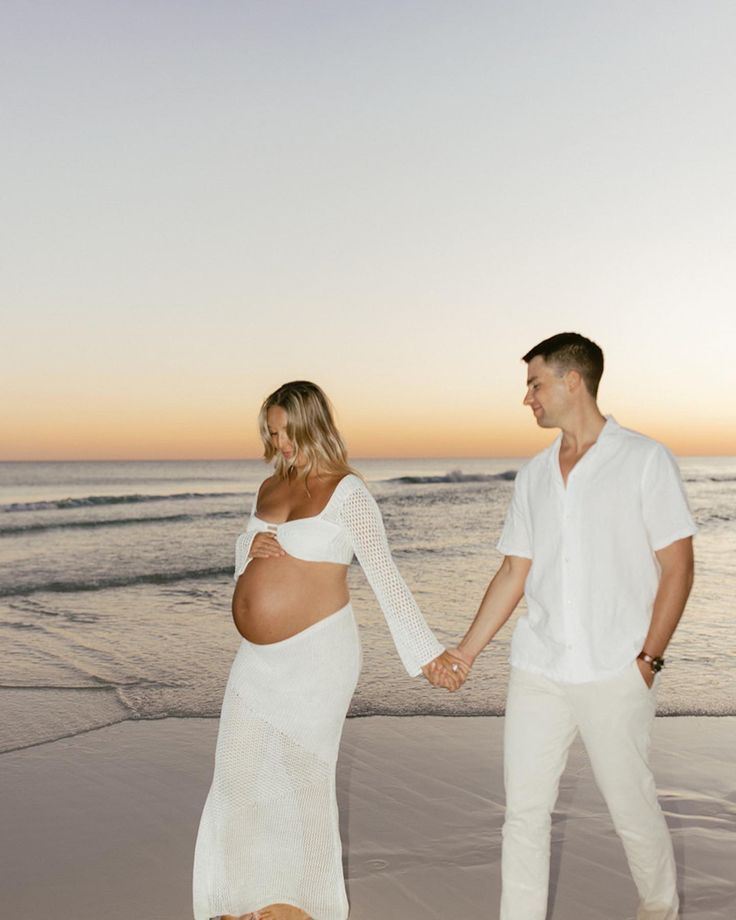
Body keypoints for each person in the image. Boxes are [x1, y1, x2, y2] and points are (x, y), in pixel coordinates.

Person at [192, 380, 465, 920]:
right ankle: (241, 905)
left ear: (312, 424)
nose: (280, 444)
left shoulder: (348, 493)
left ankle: (299, 908)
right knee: (237, 777)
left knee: (300, 782)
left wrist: (426, 654)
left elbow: (385, 575)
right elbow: (243, 561)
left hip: (319, 658)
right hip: (258, 663)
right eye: (272, 434)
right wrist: (248, 547)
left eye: (287, 433)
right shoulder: (269, 487)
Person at [448, 332, 696, 920]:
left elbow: (678, 568)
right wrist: (465, 652)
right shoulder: (534, 475)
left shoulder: (644, 459)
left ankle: (659, 910)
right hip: (539, 668)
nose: (526, 397)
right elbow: (514, 571)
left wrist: (648, 660)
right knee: (524, 815)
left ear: (572, 381)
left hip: (616, 668)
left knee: (631, 809)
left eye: (534, 383)